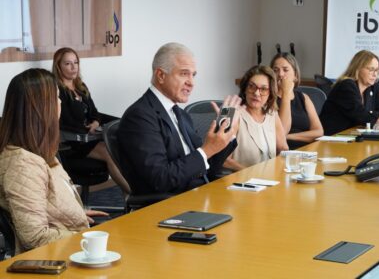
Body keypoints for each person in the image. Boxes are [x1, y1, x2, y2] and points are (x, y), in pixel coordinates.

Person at [0, 69, 107, 254]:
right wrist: (83, 236)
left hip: (69, 249)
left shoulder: (38, 153)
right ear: (41, 108)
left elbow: (48, 200)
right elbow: (34, 237)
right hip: (58, 261)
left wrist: (74, 214)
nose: (60, 103)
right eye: (56, 98)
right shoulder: (22, 164)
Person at [118, 42, 240, 195]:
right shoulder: (139, 117)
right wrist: (207, 149)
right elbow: (160, 179)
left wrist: (225, 133)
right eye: (184, 74)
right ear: (161, 75)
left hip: (198, 195)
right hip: (168, 206)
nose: (191, 82)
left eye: (193, 75)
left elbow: (207, 167)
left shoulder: (180, 114)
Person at [52, 47, 131, 195]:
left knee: (120, 148)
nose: (73, 67)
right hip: (71, 144)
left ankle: (133, 194)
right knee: (110, 153)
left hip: (89, 139)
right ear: (58, 66)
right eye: (67, 63)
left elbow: (95, 113)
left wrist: (95, 122)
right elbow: (64, 122)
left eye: (76, 62)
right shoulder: (57, 91)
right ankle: (133, 195)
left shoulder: (81, 87)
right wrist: (89, 131)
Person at [320, 50, 379, 135]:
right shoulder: (346, 85)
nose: (375, 74)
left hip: (356, 135)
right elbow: (361, 115)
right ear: (358, 68)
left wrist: (378, 123)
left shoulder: (376, 84)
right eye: (371, 69)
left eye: (377, 70)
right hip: (334, 136)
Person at [223, 65, 288, 171]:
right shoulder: (230, 112)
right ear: (244, 89)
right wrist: (252, 174)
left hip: (267, 179)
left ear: (270, 93)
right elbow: (223, 160)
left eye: (263, 89)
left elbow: (283, 149)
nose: (256, 93)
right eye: (252, 86)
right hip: (238, 181)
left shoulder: (272, 113)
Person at [270, 52, 323, 149]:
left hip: (306, 151)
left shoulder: (304, 97)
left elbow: (318, 132)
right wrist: (286, 93)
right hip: (282, 151)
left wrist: (289, 137)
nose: (280, 74)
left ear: (295, 75)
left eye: (285, 70)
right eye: (276, 70)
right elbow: (282, 131)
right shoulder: (268, 98)